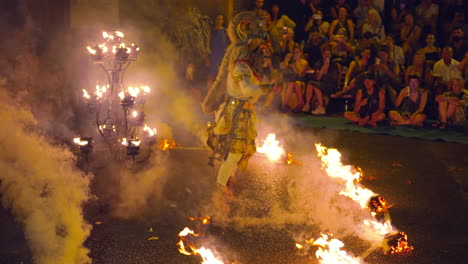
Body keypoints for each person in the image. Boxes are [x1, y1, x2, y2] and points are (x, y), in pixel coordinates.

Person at [202, 11, 274, 197]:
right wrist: (269, 88)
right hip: (234, 110)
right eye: (258, 42)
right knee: (234, 153)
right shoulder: (240, 65)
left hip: (244, 111)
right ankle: (220, 191)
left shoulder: (251, 63)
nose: (261, 46)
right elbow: (247, 90)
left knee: (236, 153)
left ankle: (227, 182)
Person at [304, 43, 341, 114]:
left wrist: (326, 72)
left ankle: (320, 107)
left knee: (314, 85)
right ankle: (308, 105)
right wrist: (323, 67)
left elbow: (333, 79)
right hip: (321, 83)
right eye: (325, 55)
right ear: (322, 54)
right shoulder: (319, 63)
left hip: (331, 85)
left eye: (328, 55)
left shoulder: (333, 64)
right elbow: (318, 78)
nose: (327, 57)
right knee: (312, 84)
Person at [281, 45, 310, 111]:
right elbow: (283, 68)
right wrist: (286, 58)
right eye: (294, 53)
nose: (296, 54)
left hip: (300, 81)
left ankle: (300, 104)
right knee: (291, 84)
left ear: (300, 53)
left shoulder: (304, 62)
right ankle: (285, 105)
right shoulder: (291, 62)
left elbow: (301, 75)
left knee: (296, 83)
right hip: (291, 81)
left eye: (297, 52)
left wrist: (294, 68)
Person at [206, 15, 228, 92]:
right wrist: (207, 57)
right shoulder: (212, 31)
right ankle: (209, 92)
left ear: (223, 21)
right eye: (217, 19)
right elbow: (208, 45)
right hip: (213, 56)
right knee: (212, 74)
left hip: (222, 56)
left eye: (221, 19)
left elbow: (230, 42)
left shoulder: (225, 31)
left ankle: (221, 94)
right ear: (215, 20)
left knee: (222, 74)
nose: (219, 21)